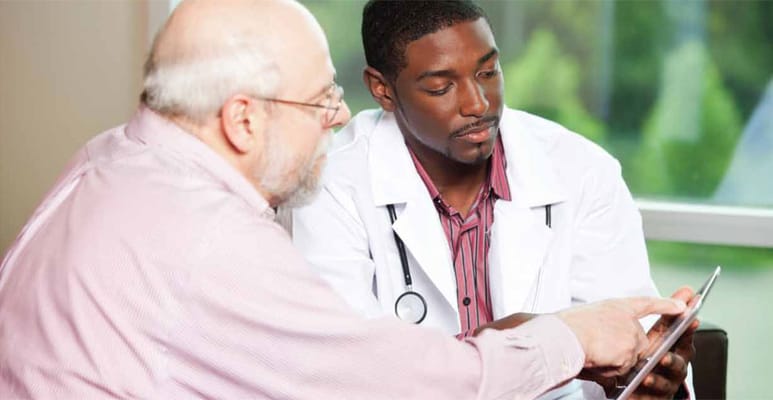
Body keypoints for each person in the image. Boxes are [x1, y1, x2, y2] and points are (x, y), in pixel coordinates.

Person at [0, 0, 687, 398]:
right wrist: (567, 337)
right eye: (320, 100)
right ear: (243, 120)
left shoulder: (107, 161)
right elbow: (383, 386)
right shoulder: (212, 240)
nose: (337, 118)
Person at [289, 0, 696, 398]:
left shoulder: (582, 171)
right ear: (383, 90)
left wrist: (646, 380)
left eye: (488, 72)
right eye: (441, 87)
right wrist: (541, 335)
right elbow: (348, 371)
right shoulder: (330, 184)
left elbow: (626, 341)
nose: (478, 104)